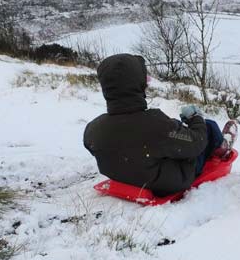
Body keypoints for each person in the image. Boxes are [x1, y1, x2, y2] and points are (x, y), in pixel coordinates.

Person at [83, 53, 224, 197]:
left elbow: (129, 143)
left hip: (128, 176)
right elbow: (196, 142)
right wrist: (196, 118)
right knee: (209, 128)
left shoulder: (92, 129)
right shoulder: (156, 125)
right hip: (167, 183)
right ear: (139, 85)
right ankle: (221, 147)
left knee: (163, 142)